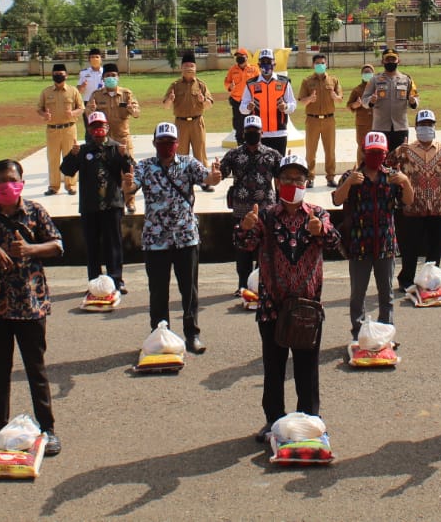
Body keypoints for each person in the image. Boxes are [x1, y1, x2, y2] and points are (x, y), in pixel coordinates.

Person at [236, 154, 341, 442]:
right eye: (287, 179)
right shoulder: (266, 216)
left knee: (307, 368)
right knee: (274, 367)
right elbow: (244, 244)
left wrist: (323, 231)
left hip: (307, 307)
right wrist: (245, 227)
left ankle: (310, 419)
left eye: (299, 179)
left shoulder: (318, 214)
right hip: (272, 305)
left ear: (307, 182)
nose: (293, 184)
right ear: (277, 183)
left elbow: (335, 242)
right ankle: (274, 420)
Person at [0, 159, 64, 457]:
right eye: (1, 181)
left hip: (31, 305)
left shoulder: (35, 212)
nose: (7, 185)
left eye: (12, 179)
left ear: (21, 181)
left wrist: (30, 249)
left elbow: (58, 245)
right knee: (0, 372)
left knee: (36, 370)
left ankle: (47, 428)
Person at [123, 122, 222, 354]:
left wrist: (215, 176)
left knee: (189, 290)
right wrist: (126, 184)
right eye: (162, 143)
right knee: (158, 292)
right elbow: (130, 187)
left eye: (170, 142)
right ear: (154, 144)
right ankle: (159, 334)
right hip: (156, 240)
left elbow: (208, 179)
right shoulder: (145, 167)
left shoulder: (188, 163)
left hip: (185, 237)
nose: (166, 146)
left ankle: (192, 334)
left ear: (177, 144)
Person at [331, 131, 413, 342]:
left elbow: (409, 201)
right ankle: (358, 334)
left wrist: (406, 182)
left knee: (386, 294)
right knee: (358, 294)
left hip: (385, 243)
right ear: (364, 152)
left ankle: (386, 332)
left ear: (385, 153)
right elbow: (336, 200)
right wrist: (348, 183)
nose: (376, 157)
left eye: (379, 153)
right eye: (372, 152)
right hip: (359, 244)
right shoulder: (352, 176)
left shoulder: (392, 176)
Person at [387, 110, 441, 291]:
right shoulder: (405, 150)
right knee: (410, 249)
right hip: (412, 208)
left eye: (429, 124)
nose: (426, 128)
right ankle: (406, 280)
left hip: (437, 208)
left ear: (434, 126)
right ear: (416, 127)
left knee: (434, 250)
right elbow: (388, 162)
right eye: (422, 125)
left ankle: (432, 280)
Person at [60, 112, 134, 294]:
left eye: (101, 126)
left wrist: (125, 156)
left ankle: (116, 279)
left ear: (108, 127)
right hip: (90, 206)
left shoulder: (117, 148)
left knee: (113, 244)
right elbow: (67, 170)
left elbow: (130, 169)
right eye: (94, 127)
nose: (98, 130)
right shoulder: (83, 150)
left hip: (112, 204)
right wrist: (71, 154)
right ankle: (94, 281)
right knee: (92, 245)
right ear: (89, 130)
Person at [219, 114, 281, 295]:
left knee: (265, 249)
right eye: (248, 131)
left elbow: (281, 179)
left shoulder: (272, 154)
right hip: (241, 209)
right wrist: (216, 171)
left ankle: (261, 283)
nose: (252, 134)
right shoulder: (233, 154)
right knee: (242, 250)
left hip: (266, 209)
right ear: (243, 133)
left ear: (262, 132)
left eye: (255, 131)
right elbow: (220, 173)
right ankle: (242, 284)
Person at [86, 62, 141, 213]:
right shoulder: (96, 95)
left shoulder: (126, 94)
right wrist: (89, 111)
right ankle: (108, 201)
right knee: (105, 173)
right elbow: (89, 113)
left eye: (113, 76)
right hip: (105, 141)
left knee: (128, 172)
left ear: (118, 77)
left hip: (123, 139)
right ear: (103, 78)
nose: (111, 78)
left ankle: (130, 201)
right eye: (108, 76)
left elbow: (137, 113)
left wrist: (132, 109)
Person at [38, 63, 85, 196]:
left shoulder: (73, 91)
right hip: (52, 129)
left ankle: (70, 185)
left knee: (70, 157)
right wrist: (44, 115)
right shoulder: (46, 92)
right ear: (52, 75)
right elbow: (39, 108)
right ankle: (53, 186)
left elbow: (81, 108)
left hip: (69, 128)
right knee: (53, 159)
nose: (59, 76)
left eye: (61, 74)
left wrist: (73, 113)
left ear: (66, 75)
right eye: (56, 74)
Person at [297, 53, 342, 188]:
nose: (320, 65)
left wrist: (335, 96)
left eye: (322, 63)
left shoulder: (333, 80)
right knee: (311, 151)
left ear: (326, 64)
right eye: (317, 63)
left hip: (329, 120)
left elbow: (340, 99)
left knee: (330, 150)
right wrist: (309, 99)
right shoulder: (307, 81)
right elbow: (301, 101)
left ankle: (330, 177)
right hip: (312, 120)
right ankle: (310, 177)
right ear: (313, 65)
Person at [239, 49, 297, 155]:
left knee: (278, 166)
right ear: (258, 64)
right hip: (258, 133)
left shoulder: (284, 82)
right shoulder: (251, 84)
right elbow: (242, 108)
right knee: (259, 167)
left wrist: (286, 107)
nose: (266, 65)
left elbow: (293, 104)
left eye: (269, 62)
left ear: (274, 63)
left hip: (279, 132)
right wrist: (248, 107)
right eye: (263, 62)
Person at [163, 52, 214, 171]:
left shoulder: (201, 85)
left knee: (200, 153)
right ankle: (181, 180)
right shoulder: (175, 85)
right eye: (186, 66)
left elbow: (209, 105)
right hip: (181, 124)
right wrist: (170, 100)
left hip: (197, 123)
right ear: (181, 68)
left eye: (191, 66)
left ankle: (204, 180)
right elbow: (165, 106)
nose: (189, 68)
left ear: (196, 68)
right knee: (180, 154)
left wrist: (203, 100)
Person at [365, 50, 418, 151]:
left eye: (393, 59)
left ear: (399, 61)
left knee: (400, 159)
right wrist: (371, 101)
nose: (390, 62)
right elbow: (364, 100)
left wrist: (413, 101)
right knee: (380, 158)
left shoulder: (407, 80)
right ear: (382, 61)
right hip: (380, 127)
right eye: (387, 59)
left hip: (400, 127)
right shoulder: (374, 80)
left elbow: (416, 97)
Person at [224, 48, 259, 146]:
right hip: (237, 101)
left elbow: (259, 84)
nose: (239, 59)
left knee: (252, 124)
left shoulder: (254, 69)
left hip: (251, 103)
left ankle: (253, 144)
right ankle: (240, 145)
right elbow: (227, 82)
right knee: (238, 126)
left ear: (247, 57)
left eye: (241, 57)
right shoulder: (232, 70)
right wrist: (230, 86)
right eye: (237, 57)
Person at [346, 63, 376, 161]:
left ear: (373, 74)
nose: (367, 74)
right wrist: (355, 105)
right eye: (365, 72)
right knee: (362, 148)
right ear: (361, 74)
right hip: (362, 125)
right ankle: (360, 171)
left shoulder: (378, 89)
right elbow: (348, 105)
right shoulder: (357, 90)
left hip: (377, 124)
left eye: (369, 72)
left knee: (377, 148)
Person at [77, 47, 105, 118]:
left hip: (103, 102)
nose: (95, 59)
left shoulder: (106, 72)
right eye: (92, 57)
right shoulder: (83, 73)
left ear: (101, 59)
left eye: (97, 57)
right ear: (89, 60)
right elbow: (78, 91)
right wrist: (82, 86)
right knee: (89, 127)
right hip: (88, 102)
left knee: (104, 126)